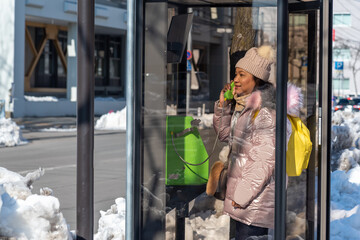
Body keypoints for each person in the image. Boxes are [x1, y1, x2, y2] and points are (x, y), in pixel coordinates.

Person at [213, 45, 302, 239]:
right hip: (246, 204)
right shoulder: (249, 108)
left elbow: (264, 161)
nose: (235, 79)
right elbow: (225, 135)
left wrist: (241, 197)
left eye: (242, 74)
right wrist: (223, 106)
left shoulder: (266, 114)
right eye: (235, 74)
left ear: (256, 79)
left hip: (253, 205)